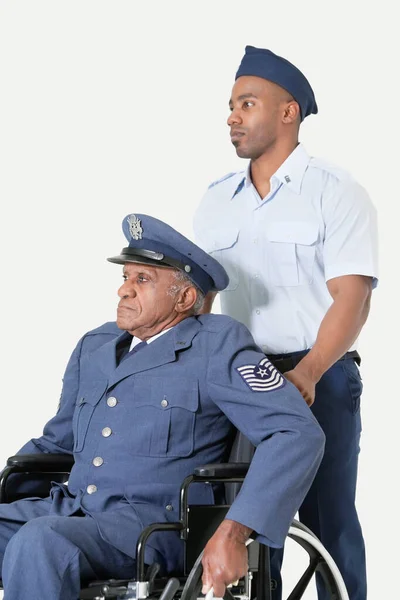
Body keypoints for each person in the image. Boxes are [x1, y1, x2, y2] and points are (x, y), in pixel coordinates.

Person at [0, 213, 324, 600]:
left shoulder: (215, 346)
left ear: (186, 298)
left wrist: (236, 529)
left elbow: (297, 432)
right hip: (73, 512)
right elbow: (58, 444)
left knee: (39, 541)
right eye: (125, 278)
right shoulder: (95, 346)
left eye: (143, 280)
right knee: (40, 535)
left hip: (153, 528)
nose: (124, 291)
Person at [193, 46, 378, 600]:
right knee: (239, 522)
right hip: (239, 377)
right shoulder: (216, 201)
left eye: (246, 104)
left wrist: (311, 371)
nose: (232, 116)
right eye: (230, 105)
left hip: (317, 372)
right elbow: (200, 301)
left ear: (287, 112)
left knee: (328, 521)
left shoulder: (335, 192)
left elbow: (352, 296)